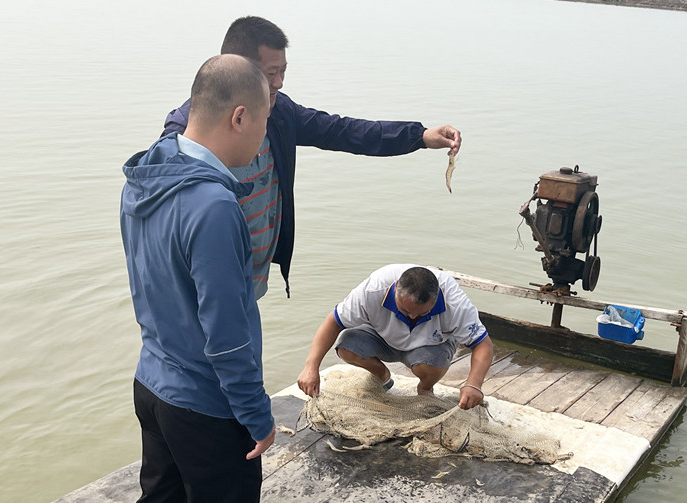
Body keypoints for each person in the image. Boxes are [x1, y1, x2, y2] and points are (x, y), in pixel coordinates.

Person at [161, 16, 463, 300]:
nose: (279, 82)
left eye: (283, 72)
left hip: (250, 280)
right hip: (201, 287)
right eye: (271, 74)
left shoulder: (279, 113)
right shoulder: (185, 136)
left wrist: (419, 136)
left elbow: (341, 130)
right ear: (238, 69)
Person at [120, 54, 276, 503]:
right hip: (206, 406)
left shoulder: (143, 179)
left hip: (152, 383)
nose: (265, 136)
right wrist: (256, 415)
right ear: (240, 118)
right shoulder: (215, 207)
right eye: (265, 121)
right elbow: (226, 335)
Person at [297, 264, 494, 410]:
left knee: (434, 364)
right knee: (346, 346)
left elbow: (483, 344)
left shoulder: (456, 304)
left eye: (422, 313)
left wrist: (473, 384)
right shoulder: (373, 289)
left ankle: (425, 389)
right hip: (382, 337)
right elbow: (334, 321)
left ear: (437, 299)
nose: (412, 317)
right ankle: (382, 375)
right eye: (406, 310)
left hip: (430, 346)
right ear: (396, 288)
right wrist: (310, 367)